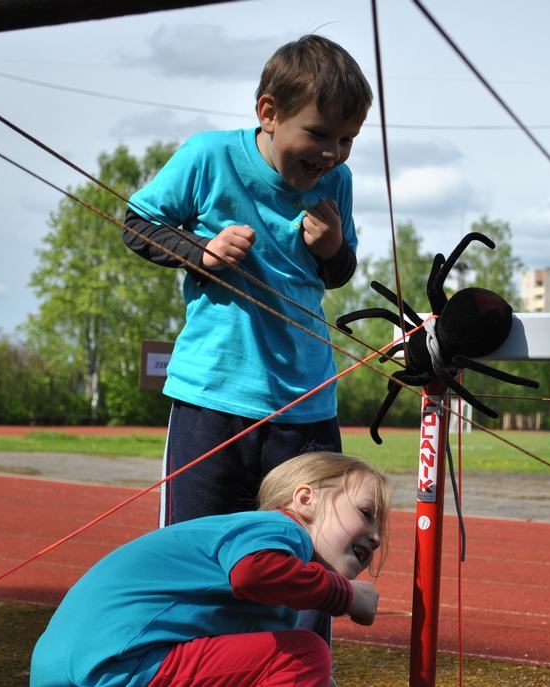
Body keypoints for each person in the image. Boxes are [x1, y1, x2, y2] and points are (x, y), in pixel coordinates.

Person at [121, 34, 372, 526]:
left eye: (346, 140)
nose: (332, 154)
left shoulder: (338, 182)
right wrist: (202, 252)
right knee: (198, 550)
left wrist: (332, 249)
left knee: (309, 555)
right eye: (319, 134)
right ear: (269, 112)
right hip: (213, 396)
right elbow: (136, 224)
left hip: (306, 404)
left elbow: (339, 272)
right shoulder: (208, 157)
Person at [30, 452, 391, 687]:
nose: (375, 537)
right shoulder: (281, 528)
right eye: (365, 513)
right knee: (304, 654)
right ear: (305, 499)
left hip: (68, 667)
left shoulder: (276, 591)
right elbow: (255, 573)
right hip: (116, 664)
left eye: (380, 528)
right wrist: (344, 595)